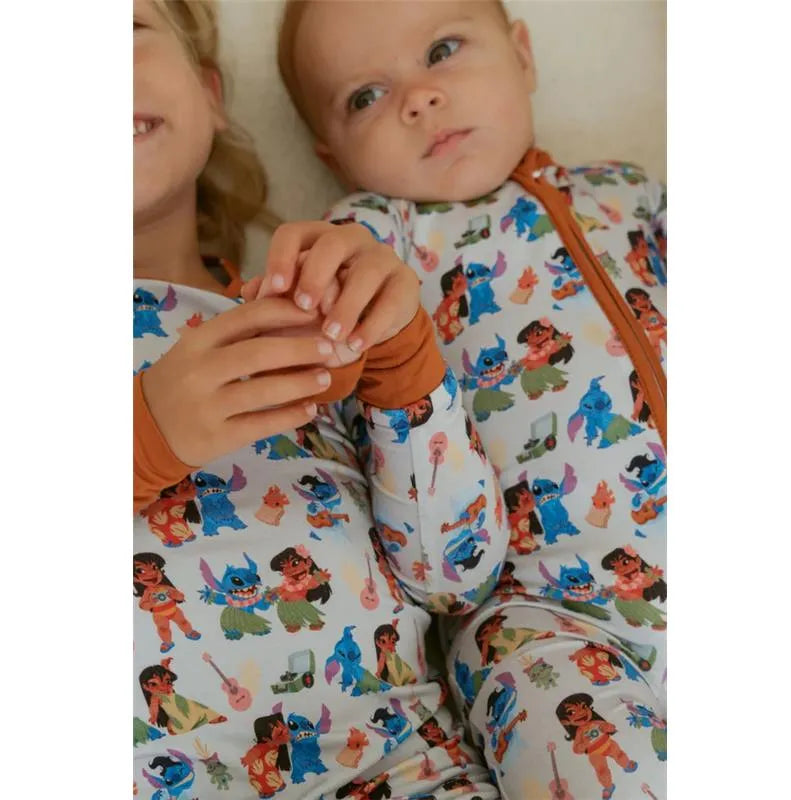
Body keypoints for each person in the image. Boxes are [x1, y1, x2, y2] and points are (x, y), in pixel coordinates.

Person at [266, 1, 667, 797]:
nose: (418, 98)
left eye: (443, 49)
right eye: (365, 96)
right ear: (333, 157)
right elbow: (441, 568)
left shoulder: (628, 193)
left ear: (523, 55)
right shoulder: (375, 248)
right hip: (552, 620)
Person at [133, 2, 510, 799]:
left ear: (208, 95)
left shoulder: (309, 307)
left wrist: (400, 361)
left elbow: (456, 577)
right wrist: (140, 441)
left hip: (403, 768)